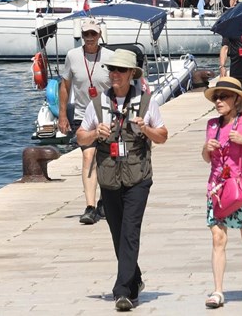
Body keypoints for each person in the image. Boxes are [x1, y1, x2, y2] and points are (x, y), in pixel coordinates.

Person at [76, 49, 167, 311]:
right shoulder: (97, 105)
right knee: (117, 234)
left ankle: (122, 290)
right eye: (111, 70)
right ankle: (135, 279)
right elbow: (80, 138)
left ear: (131, 74)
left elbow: (162, 135)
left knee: (130, 231)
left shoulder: (147, 102)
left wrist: (146, 129)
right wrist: (95, 132)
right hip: (109, 178)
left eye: (120, 70)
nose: (114, 74)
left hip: (138, 177)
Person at [202, 78, 242, 309]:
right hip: (217, 189)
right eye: (216, 97)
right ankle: (218, 290)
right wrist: (206, 149)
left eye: (224, 97)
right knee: (218, 238)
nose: (219, 101)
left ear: (236, 100)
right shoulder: (212, 125)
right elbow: (206, 159)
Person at [59, 17, 115, 224]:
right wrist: (63, 115)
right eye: (86, 34)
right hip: (83, 116)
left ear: (100, 35)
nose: (90, 38)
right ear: (81, 36)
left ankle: (103, 201)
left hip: (108, 115)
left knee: (107, 160)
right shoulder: (73, 56)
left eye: (93, 34)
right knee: (88, 157)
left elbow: (119, 84)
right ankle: (90, 207)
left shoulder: (110, 56)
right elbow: (65, 86)